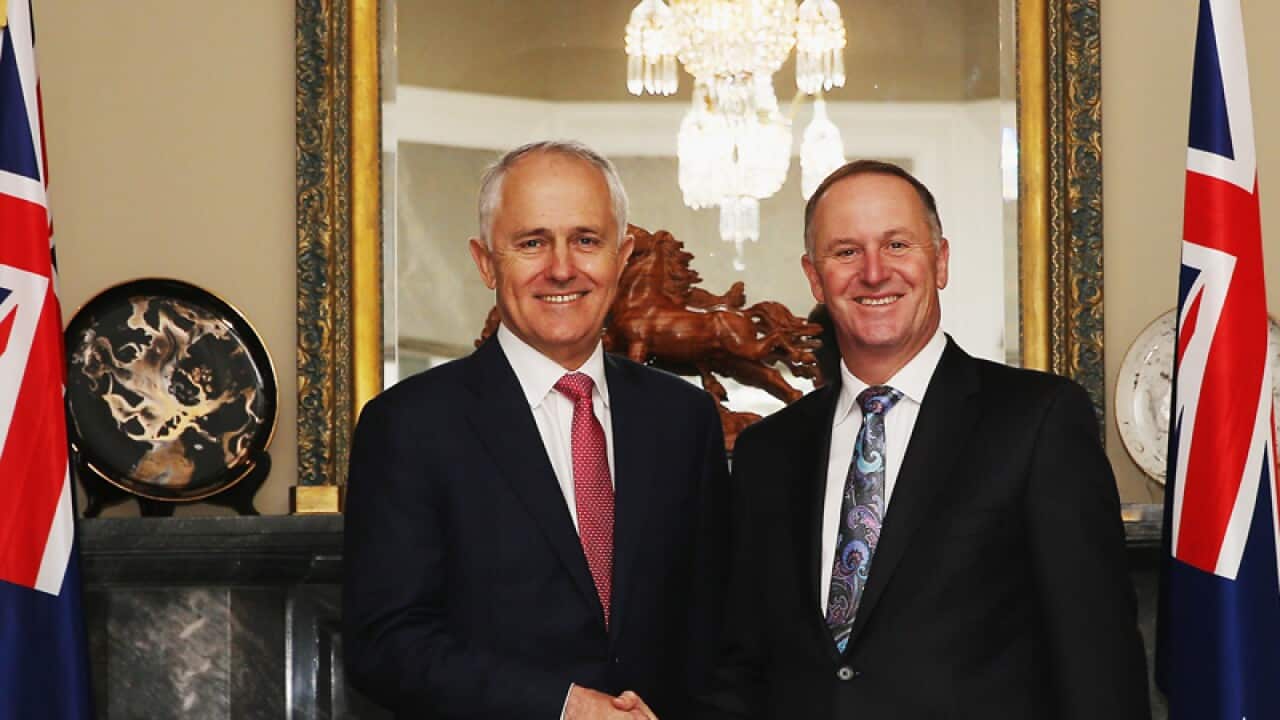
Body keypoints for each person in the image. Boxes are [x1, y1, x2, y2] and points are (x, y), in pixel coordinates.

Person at [699, 160, 1151, 719]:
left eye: (897, 245)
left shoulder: (1038, 421)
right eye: (846, 251)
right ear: (814, 278)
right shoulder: (768, 451)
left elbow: (1098, 659)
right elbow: (744, 664)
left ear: (939, 261)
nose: (873, 272)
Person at [344, 141, 729, 719]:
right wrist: (563, 707)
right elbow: (385, 644)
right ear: (485, 262)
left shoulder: (684, 418)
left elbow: (715, 629)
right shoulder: (410, 425)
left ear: (622, 258)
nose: (562, 267)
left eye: (586, 240)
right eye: (532, 242)